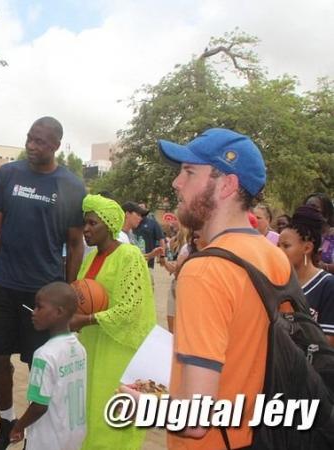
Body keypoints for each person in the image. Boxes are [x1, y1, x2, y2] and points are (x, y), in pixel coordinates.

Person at [136, 128, 291, 449]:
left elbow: (194, 419)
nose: (176, 183)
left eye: (189, 172)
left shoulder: (204, 270)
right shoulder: (273, 256)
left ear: (227, 185)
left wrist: (142, 402)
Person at [0, 116, 86, 450]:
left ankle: (36, 431)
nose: (33, 147)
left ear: (56, 146)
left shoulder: (71, 185)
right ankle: (7, 423)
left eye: (41, 142)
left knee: (42, 366)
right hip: (6, 284)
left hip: (44, 293)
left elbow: (75, 243)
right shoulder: (9, 174)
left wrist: (69, 292)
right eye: (30, 139)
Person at [68, 194, 155, 450]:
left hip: (119, 352)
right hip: (93, 347)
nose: (86, 229)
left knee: (112, 415)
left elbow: (132, 308)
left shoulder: (129, 256)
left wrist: (86, 319)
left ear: (109, 224)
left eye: (93, 223)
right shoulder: (89, 259)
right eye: (85, 223)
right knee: (91, 411)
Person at [9, 282, 87, 450]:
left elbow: (39, 406)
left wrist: (18, 426)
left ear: (59, 312)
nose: (33, 313)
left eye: (39, 307)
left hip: (48, 440)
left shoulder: (44, 355)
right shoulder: (79, 349)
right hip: (74, 434)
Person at [278, 205, 334, 344]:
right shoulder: (278, 282)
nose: (279, 251)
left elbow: (328, 340)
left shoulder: (327, 285)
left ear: (307, 248)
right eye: (278, 245)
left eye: (286, 246)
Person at [159, 228, 207, 333]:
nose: (195, 239)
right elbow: (176, 270)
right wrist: (165, 262)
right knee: (171, 329)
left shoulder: (209, 253)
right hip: (177, 286)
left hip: (191, 292)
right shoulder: (186, 248)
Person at [305, 193, 334, 274]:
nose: (309, 210)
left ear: (327, 214)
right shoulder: (303, 235)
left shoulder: (331, 237)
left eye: (314, 207)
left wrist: (324, 267)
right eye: (307, 207)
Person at [135, 201, 166, 269]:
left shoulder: (153, 223)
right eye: (139, 208)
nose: (140, 210)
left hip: (148, 262)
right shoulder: (133, 222)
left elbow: (161, 239)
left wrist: (162, 256)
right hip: (133, 261)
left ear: (146, 209)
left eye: (142, 208)